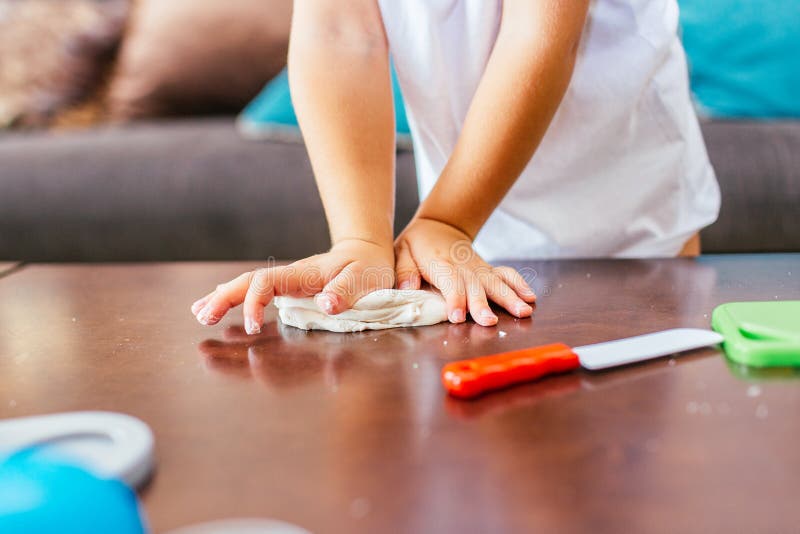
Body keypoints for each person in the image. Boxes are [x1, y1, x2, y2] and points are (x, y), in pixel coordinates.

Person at [191, 0, 720, 333]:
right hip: (467, 215)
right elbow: (340, 31)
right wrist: (360, 241)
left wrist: (447, 220)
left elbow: (540, 33)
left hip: (628, 204)